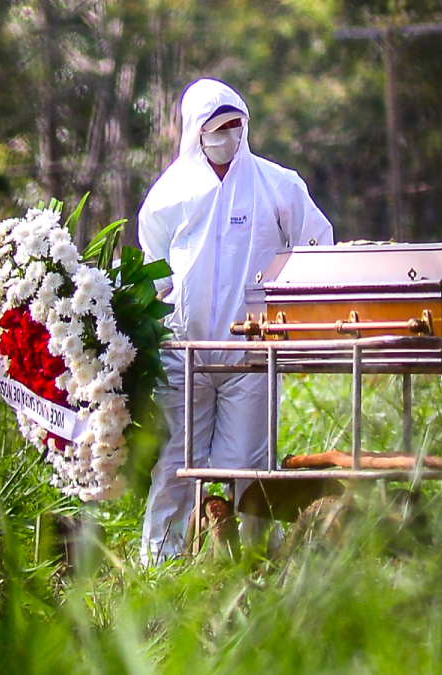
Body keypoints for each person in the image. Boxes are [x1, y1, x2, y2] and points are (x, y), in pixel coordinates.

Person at [138, 78, 334, 564]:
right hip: (183, 354)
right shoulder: (171, 195)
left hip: (251, 353)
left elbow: (317, 247)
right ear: (196, 133)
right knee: (176, 465)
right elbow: (153, 267)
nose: (229, 135)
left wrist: (294, 318)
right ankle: (160, 567)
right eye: (218, 127)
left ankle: (247, 566)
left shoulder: (279, 185)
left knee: (247, 466)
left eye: (236, 125)